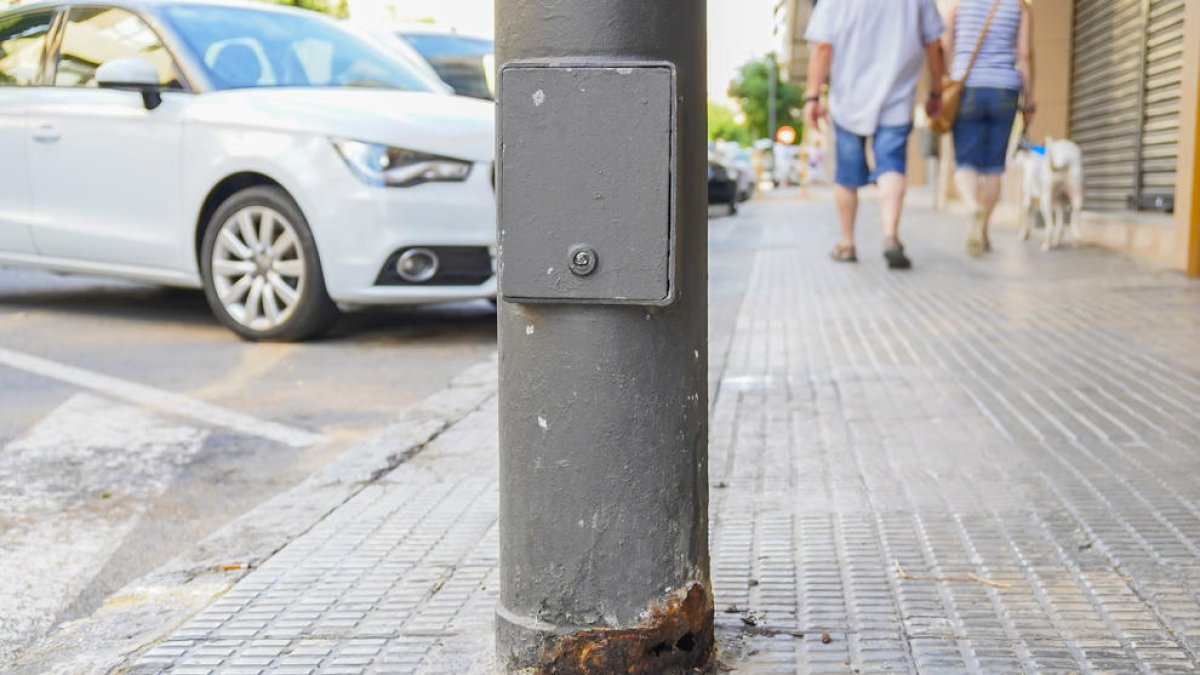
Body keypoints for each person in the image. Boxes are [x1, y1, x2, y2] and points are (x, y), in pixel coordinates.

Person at [805, 0, 945, 269]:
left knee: (846, 175)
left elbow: (822, 46)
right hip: (897, 97)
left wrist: (812, 96)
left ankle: (847, 244)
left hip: (848, 101)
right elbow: (933, 44)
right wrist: (935, 91)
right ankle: (890, 234)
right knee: (891, 165)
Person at [944, 0, 1034, 256]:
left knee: (965, 162)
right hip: (1005, 89)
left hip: (968, 87)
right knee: (993, 165)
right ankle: (983, 229)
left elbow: (947, 47)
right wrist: (1029, 97)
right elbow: (1025, 56)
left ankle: (973, 208)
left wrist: (948, 81)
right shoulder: (1019, 7)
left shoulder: (959, 6)